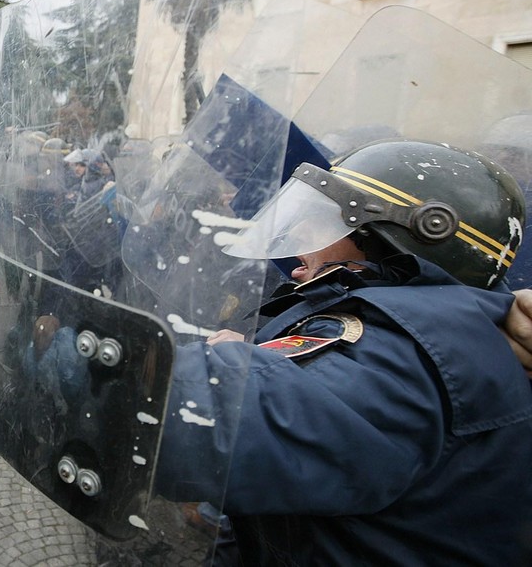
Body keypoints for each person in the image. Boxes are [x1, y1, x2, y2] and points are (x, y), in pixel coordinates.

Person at [155, 139, 532, 563]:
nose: (299, 253)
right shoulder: (445, 329)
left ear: (410, 235)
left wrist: (98, 358)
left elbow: (196, 419)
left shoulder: (407, 354)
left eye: (320, 225)